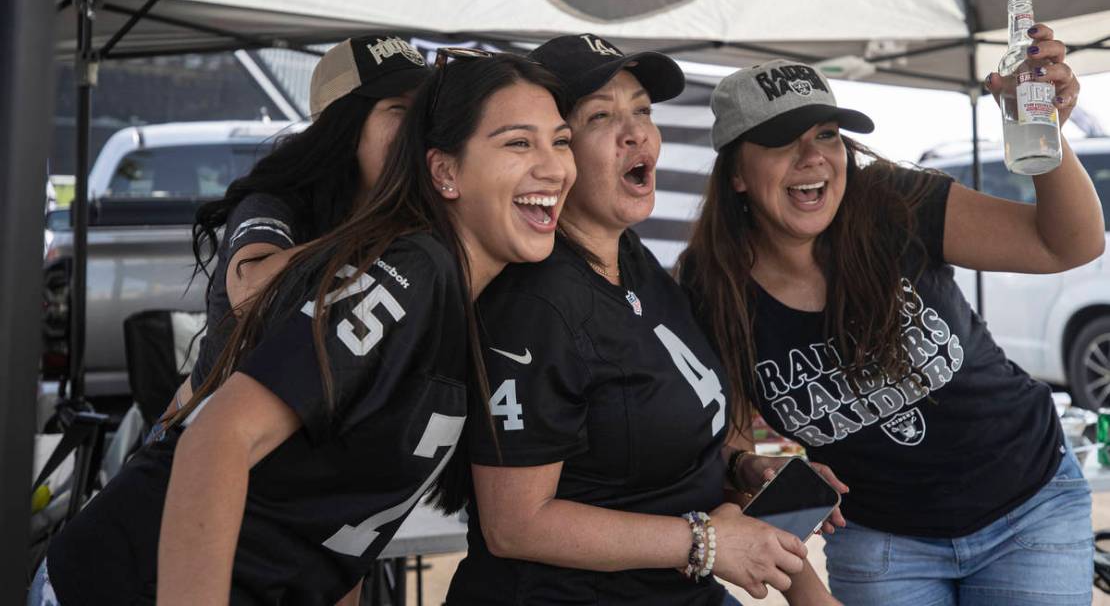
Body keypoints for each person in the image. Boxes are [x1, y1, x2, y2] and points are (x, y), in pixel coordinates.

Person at [31, 52, 576, 605]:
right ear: (445, 171)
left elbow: (341, 532)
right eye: (518, 143)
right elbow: (216, 437)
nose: (554, 166)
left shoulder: (458, 291)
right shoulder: (411, 266)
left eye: (561, 140)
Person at [678, 32, 1104, 605]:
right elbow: (723, 434)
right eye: (781, 141)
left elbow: (1067, 246)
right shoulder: (710, 285)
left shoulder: (890, 203)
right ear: (736, 173)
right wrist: (755, 470)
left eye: (826, 134)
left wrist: (1045, 134)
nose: (813, 158)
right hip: (882, 540)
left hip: (1028, 504)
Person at [446, 34, 834, 606]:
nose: (637, 133)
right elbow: (514, 525)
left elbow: (650, 442)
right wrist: (703, 541)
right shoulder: (535, 304)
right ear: (557, 150)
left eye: (643, 111)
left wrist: (745, 466)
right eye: (601, 116)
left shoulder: (630, 258)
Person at [174, 35, 431, 417]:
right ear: (342, 124)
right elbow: (250, 291)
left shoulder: (417, 214)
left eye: (424, 112)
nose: (417, 128)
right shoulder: (276, 201)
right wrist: (373, 229)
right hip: (199, 437)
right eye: (398, 108)